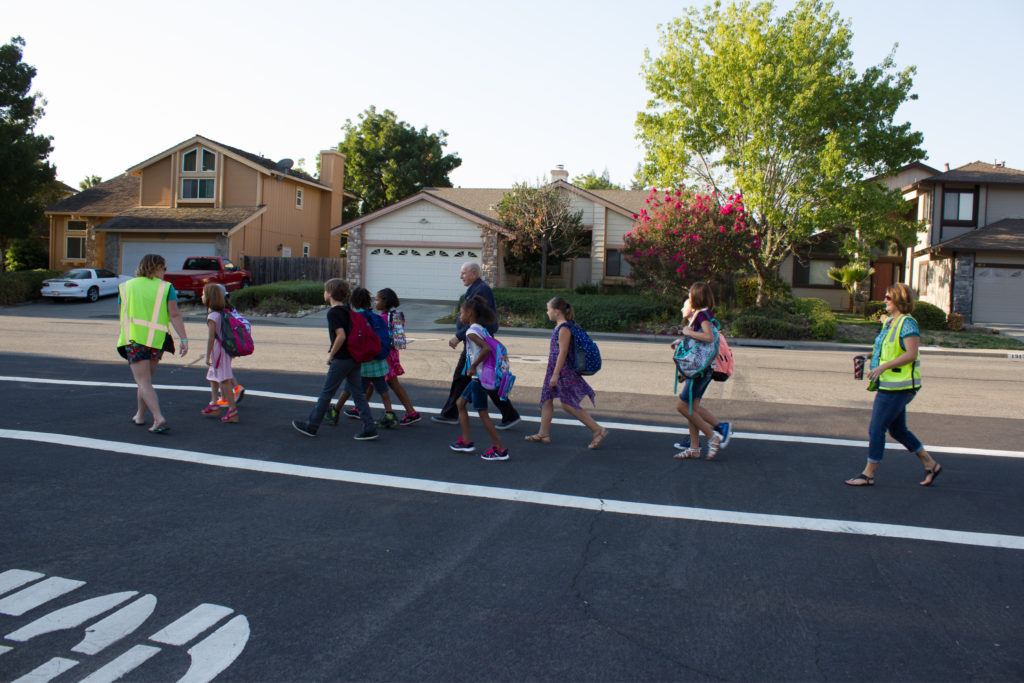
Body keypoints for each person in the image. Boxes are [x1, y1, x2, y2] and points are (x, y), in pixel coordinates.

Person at [845, 283, 941, 487]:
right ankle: (930, 464)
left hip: (900, 386)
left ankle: (868, 474)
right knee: (897, 430)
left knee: (876, 428)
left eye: (888, 297)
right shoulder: (890, 322)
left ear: (899, 299)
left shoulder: (907, 323)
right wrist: (868, 356)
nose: (884, 300)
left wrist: (882, 368)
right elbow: (888, 348)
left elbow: (910, 354)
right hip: (890, 384)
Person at [433, 262, 520, 429]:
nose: (461, 276)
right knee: (467, 379)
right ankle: (451, 413)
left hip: (477, 343)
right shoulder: (476, 288)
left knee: (481, 380)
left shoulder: (481, 289)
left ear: (474, 273)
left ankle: (509, 414)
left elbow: (478, 318)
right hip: (474, 342)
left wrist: (459, 336)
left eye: (463, 273)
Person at [292, 279, 377, 440]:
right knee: (358, 394)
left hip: (342, 358)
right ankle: (369, 427)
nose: (324, 293)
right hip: (354, 357)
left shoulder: (333, 313)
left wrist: (331, 354)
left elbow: (341, 336)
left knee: (327, 393)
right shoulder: (347, 310)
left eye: (325, 290)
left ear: (329, 293)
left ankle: (312, 426)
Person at [116, 253, 188, 434]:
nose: (165, 272)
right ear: (156, 268)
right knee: (145, 381)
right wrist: (184, 338)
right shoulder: (166, 288)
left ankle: (158, 417)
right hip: (156, 341)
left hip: (134, 340)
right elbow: (174, 315)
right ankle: (140, 415)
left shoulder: (125, 287)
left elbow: (122, 312)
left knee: (143, 382)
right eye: (164, 268)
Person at [525, 297, 608, 449]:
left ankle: (597, 430)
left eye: (549, 309)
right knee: (547, 399)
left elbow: (562, 352)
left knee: (567, 404)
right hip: (555, 369)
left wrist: (555, 374)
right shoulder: (562, 325)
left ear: (557, 312)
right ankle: (544, 433)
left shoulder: (564, 328)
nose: (547, 312)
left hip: (562, 371)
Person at [337, 288, 421, 426]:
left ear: (385, 301)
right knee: (373, 379)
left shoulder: (381, 318)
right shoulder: (396, 315)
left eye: (377, 299)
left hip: (384, 355)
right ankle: (360, 408)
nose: (374, 302)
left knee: (391, 383)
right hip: (391, 353)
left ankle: (411, 412)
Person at [671, 282, 730, 459]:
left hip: (701, 370)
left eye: (690, 296)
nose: (688, 299)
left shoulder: (702, 315)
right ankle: (694, 448)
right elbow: (698, 343)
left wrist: (688, 332)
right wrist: (682, 341)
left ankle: (712, 437)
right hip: (704, 369)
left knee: (682, 406)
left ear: (697, 297)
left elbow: (708, 337)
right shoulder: (702, 314)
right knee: (692, 407)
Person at [327, 287, 398, 430]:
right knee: (382, 389)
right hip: (378, 361)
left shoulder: (354, 317)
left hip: (363, 362)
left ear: (353, 301)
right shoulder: (376, 317)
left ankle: (335, 411)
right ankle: (390, 414)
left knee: (349, 387)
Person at [450, 296, 509, 460]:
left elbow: (486, 349)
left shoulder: (470, 332)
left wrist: (473, 365)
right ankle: (466, 441)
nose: (459, 316)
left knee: (483, 413)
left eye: (461, 312)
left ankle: (500, 449)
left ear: (469, 313)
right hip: (480, 377)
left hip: (479, 378)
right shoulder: (481, 328)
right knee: (460, 403)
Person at [200, 283, 239, 423]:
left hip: (219, 351)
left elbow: (211, 337)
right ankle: (214, 403)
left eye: (203, 294)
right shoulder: (223, 313)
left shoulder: (212, 316)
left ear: (210, 298)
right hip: (224, 350)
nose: (201, 296)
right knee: (214, 376)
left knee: (224, 380)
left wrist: (207, 354)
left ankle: (232, 411)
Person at [213, 285, 245, 407]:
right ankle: (234, 389)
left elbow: (214, 334)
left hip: (223, 346)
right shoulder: (231, 309)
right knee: (224, 369)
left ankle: (226, 397)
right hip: (233, 344)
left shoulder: (217, 312)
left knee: (221, 371)